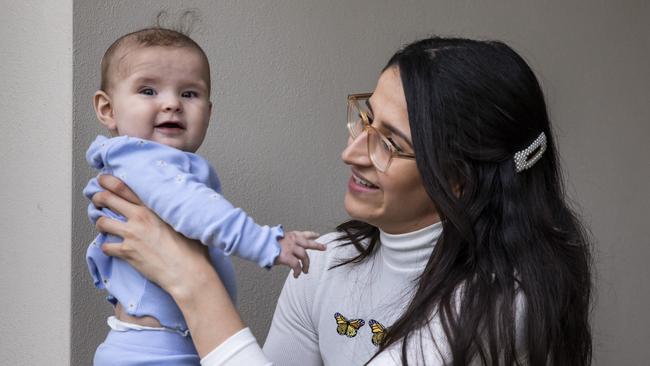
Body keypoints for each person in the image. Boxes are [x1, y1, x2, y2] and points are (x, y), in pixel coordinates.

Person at [91, 36, 593, 365]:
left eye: (389, 143)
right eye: (365, 118)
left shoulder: (497, 307)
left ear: (459, 180)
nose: (351, 151)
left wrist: (192, 280)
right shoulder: (327, 262)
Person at [84, 27, 324, 365]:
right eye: (148, 90)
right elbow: (198, 211)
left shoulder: (144, 165)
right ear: (107, 109)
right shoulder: (143, 160)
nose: (171, 104)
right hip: (154, 353)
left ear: (208, 113)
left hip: (167, 343)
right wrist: (268, 243)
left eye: (189, 94)